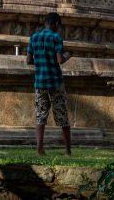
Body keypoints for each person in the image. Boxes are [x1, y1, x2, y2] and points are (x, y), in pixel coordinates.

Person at [26, 12, 72, 156]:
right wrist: (67, 55)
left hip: (40, 82)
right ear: (56, 24)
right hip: (55, 82)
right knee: (62, 117)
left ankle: (40, 148)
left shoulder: (34, 38)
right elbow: (59, 60)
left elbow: (28, 60)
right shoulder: (56, 37)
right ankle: (67, 150)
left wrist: (40, 61)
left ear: (45, 23)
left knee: (40, 116)